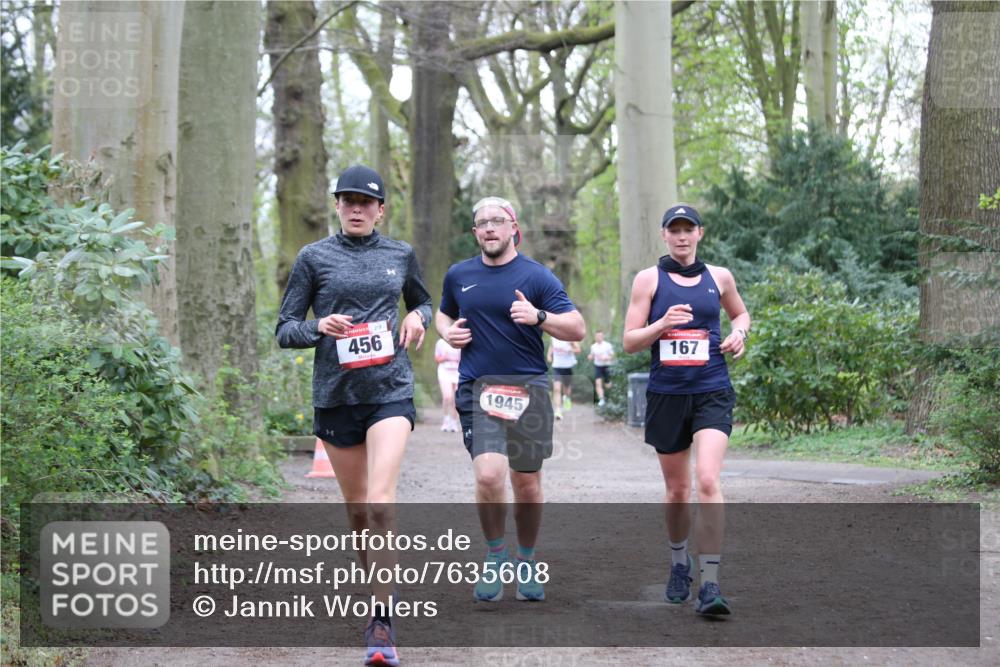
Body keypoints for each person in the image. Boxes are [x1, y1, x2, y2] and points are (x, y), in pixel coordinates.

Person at [276, 164, 431, 666]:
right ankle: (379, 586)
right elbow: (284, 330)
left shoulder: (400, 254)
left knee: (381, 502)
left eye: (367, 202)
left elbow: (427, 303)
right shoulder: (313, 258)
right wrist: (320, 326)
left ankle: (381, 619)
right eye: (348, 201)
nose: (357, 209)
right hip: (336, 397)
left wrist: (416, 316)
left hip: (390, 391)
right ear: (338, 207)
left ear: (381, 209)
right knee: (360, 514)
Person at [436, 196, 585, 604]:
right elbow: (443, 313)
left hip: (529, 389)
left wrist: (539, 317)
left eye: (496, 221)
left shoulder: (537, 277)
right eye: (481, 222)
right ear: (475, 232)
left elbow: (577, 328)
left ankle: (527, 558)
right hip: (478, 388)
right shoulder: (459, 274)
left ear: (513, 227)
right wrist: (447, 333)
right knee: (488, 476)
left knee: (527, 484)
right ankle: (496, 553)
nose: (488, 228)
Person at [622, 203, 750, 616]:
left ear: (700, 233)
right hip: (668, 395)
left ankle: (710, 584)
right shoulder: (648, 280)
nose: (681, 236)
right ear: (664, 235)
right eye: (673, 229)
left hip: (712, 389)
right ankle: (680, 563)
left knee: (708, 481)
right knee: (678, 491)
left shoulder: (720, 277)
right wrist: (661, 326)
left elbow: (741, 313)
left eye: (688, 229)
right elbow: (629, 340)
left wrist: (739, 334)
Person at [547, 337, 580, 419]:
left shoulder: (569, 337)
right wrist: (549, 356)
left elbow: (578, 350)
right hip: (557, 367)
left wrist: (570, 349)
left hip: (567, 367)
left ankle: (567, 398)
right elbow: (551, 347)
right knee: (557, 388)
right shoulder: (553, 338)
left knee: (567, 387)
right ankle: (558, 410)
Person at [434, 337, 461, 432]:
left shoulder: (459, 341)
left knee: (455, 400)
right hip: (444, 371)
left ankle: (453, 422)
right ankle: (446, 420)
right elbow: (437, 358)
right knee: (447, 397)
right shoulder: (440, 342)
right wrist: (444, 358)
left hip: (457, 372)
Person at [587, 330, 615, 407]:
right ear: (595, 337)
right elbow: (591, 356)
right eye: (597, 336)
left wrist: (606, 358)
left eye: (600, 336)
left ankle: (611, 397)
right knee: (598, 383)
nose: (598, 338)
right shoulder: (593, 346)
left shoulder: (607, 345)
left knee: (607, 384)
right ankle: (601, 400)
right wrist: (590, 357)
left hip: (607, 366)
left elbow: (613, 356)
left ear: (603, 337)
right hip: (598, 366)